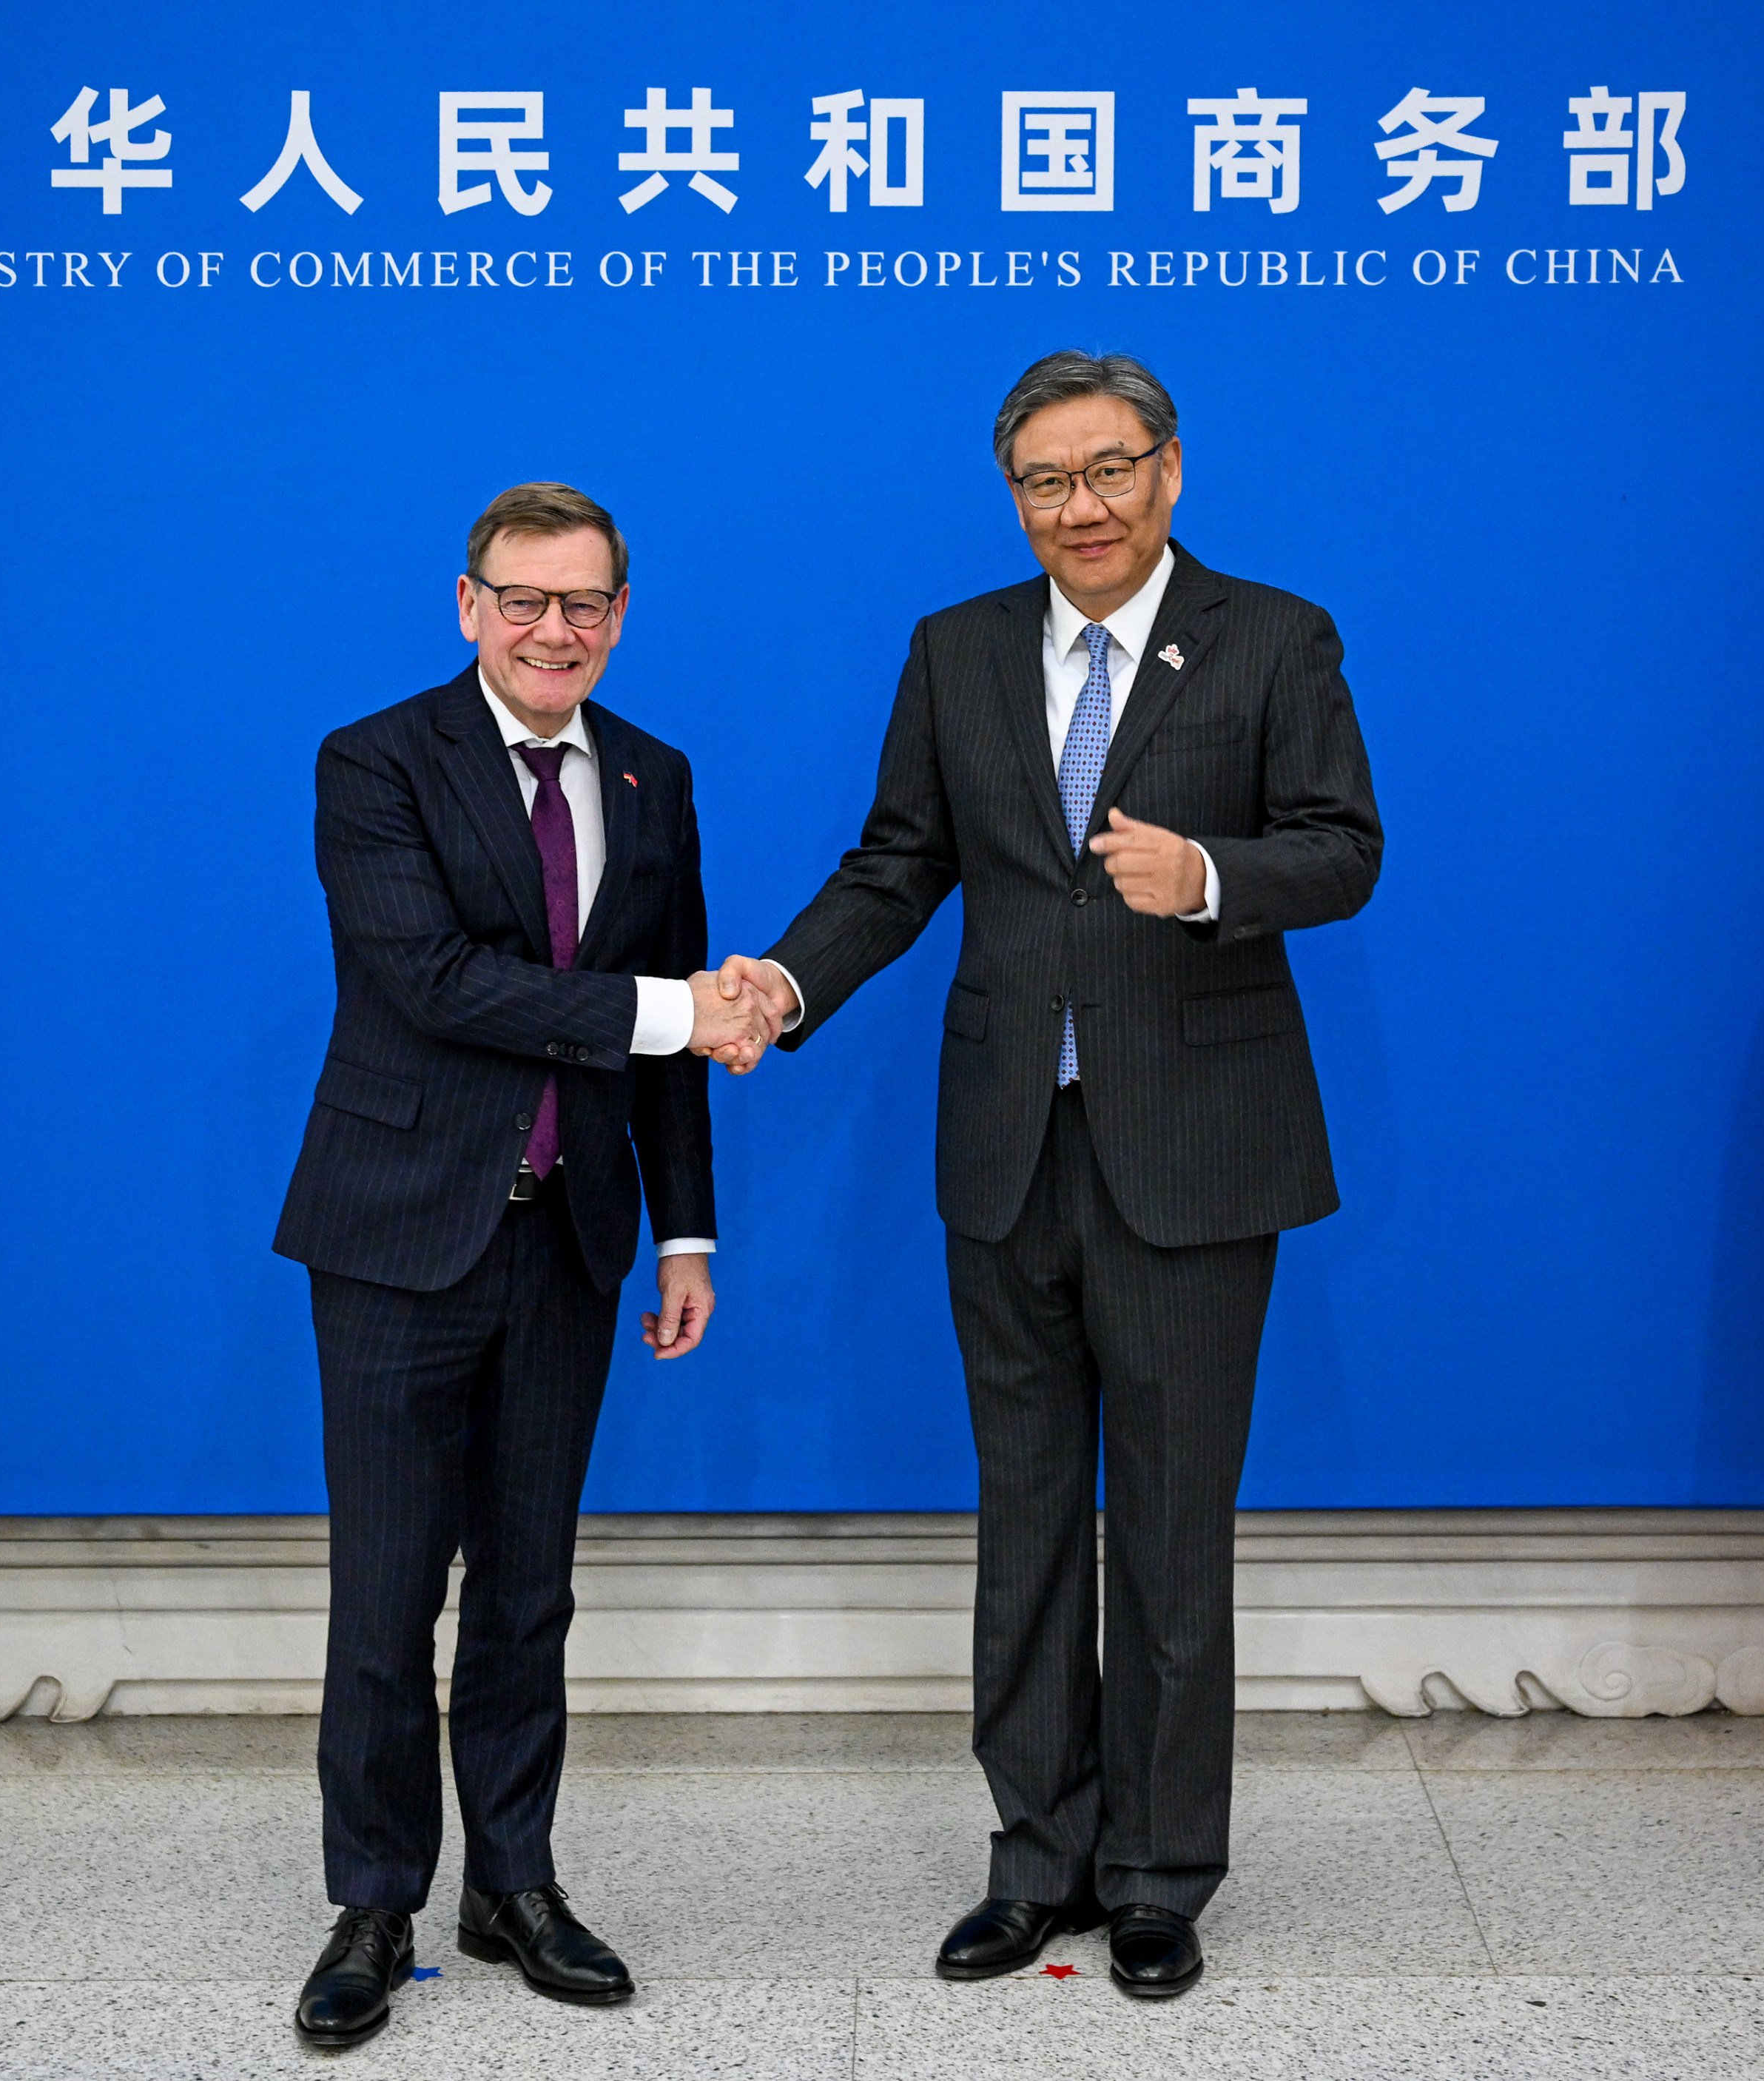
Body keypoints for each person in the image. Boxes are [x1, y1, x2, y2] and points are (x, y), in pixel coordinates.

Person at [716, 352, 1382, 1998]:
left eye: (1106, 470)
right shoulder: (956, 649)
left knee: (1169, 1526)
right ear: (1011, 494)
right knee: (1022, 1519)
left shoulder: (1271, 635)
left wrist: (1208, 871)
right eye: (1044, 481)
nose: (1078, 506)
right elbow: (897, 863)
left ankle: (1156, 1872)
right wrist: (785, 985)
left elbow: (1343, 847)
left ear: (1168, 469)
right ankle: (1034, 1858)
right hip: (1008, 1147)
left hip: (1195, 1151)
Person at [273, 482, 776, 2050]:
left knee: (529, 1586)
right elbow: (436, 981)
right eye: (523, 599)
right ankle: (374, 1901)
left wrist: (684, 1229)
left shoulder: (652, 773)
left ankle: (512, 1881)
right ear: (468, 604)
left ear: (620, 615)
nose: (553, 629)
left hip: (569, 1238)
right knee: (384, 1592)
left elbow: (675, 1034)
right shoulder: (375, 760)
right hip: (395, 1235)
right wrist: (676, 1010)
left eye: (584, 604)